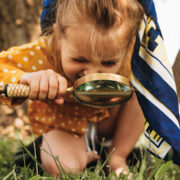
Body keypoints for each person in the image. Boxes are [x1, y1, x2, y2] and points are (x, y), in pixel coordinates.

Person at [0, 0, 145, 177]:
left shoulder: (131, 57)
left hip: (106, 125)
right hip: (64, 129)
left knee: (143, 90)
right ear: (58, 38)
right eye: (80, 60)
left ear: (127, 46)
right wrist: (26, 78)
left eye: (108, 63)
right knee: (66, 167)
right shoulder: (43, 52)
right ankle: (84, 159)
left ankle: (117, 157)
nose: (90, 73)